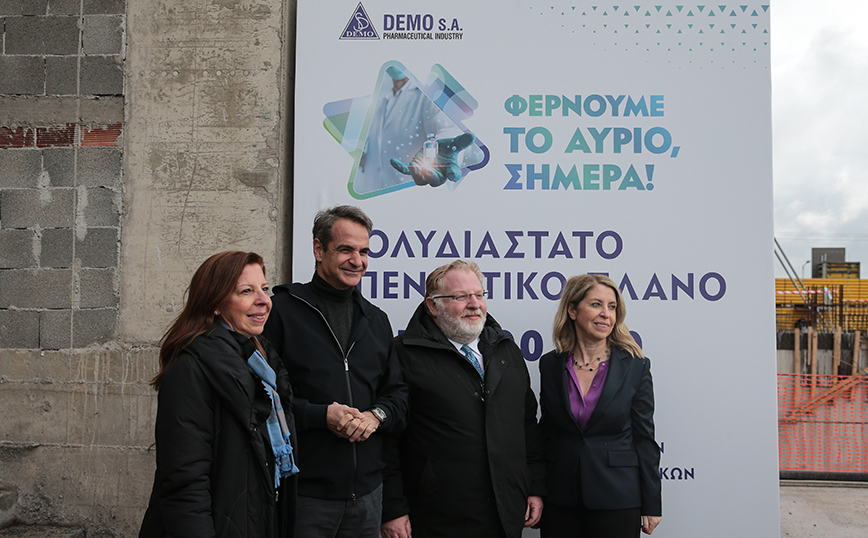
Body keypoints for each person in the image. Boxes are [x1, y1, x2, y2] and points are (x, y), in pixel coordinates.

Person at [262, 205, 408, 538]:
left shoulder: (376, 320)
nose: (357, 261)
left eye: (364, 251)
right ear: (319, 249)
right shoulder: (281, 312)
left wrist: (375, 416)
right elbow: (261, 398)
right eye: (346, 250)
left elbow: (398, 395)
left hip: (368, 498)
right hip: (304, 495)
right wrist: (320, 416)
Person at [381, 260, 546, 538]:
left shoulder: (507, 351)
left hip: (505, 513)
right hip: (436, 517)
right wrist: (392, 508)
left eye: (479, 295)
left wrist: (534, 486)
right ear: (433, 306)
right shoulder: (402, 355)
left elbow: (527, 425)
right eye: (460, 297)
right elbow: (386, 441)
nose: (474, 304)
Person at [139, 251, 299, 538]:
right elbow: (185, 483)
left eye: (264, 289)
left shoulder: (261, 364)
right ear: (214, 303)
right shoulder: (191, 370)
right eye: (246, 291)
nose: (264, 300)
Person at [538, 274, 662, 537]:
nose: (606, 314)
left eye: (612, 307)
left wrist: (652, 502)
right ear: (572, 310)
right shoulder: (550, 365)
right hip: (560, 498)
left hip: (617, 497)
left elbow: (644, 439)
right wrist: (536, 489)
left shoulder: (635, 366)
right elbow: (546, 433)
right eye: (596, 304)